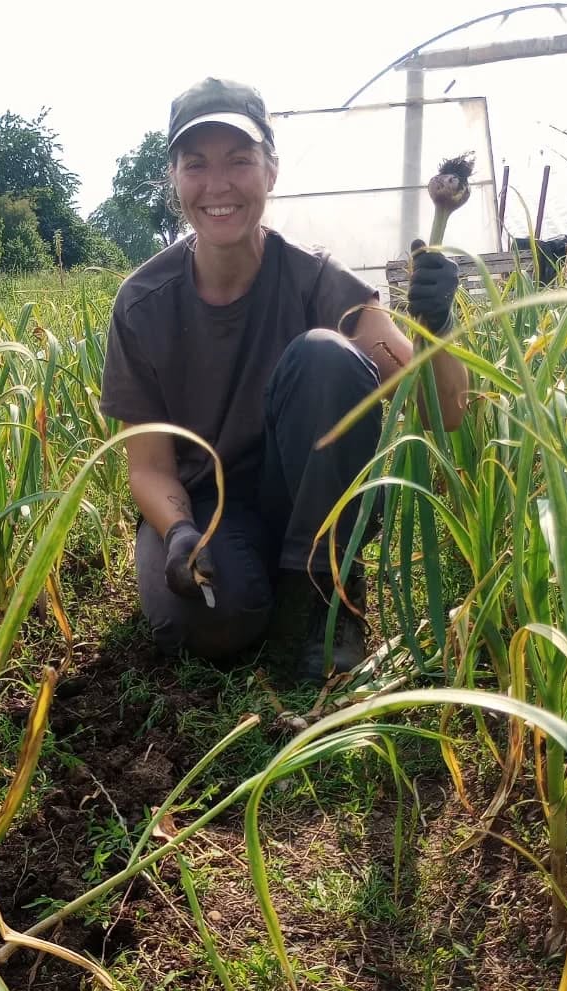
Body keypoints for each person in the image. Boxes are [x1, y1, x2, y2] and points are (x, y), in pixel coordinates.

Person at [99, 76, 468, 681]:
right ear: (175, 181)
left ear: (270, 171)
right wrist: (179, 531)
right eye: (197, 165)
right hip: (209, 505)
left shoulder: (316, 279)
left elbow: (441, 409)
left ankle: (324, 595)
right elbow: (150, 466)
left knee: (325, 355)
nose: (218, 185)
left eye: (239, 161)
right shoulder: (143, 303)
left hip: (301, 491)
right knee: (207, 626)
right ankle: (271, 580)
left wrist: (439, 324)